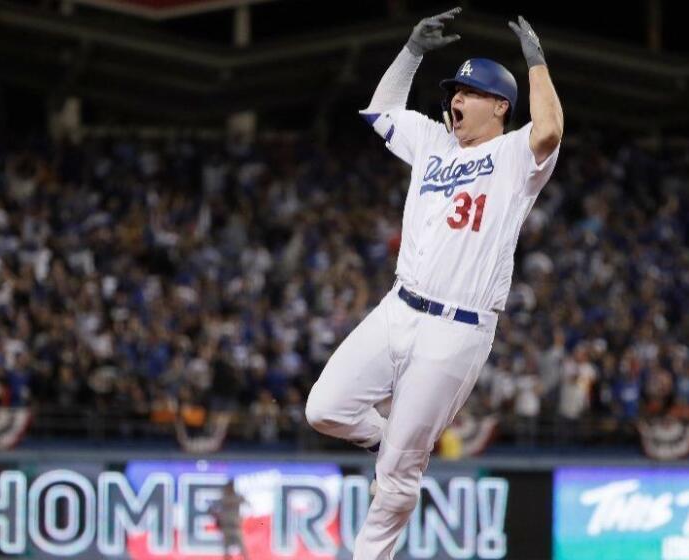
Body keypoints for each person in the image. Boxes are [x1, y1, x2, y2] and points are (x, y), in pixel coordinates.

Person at [305, 7, 562, 559]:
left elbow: (550, 129)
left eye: (468, 91)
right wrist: (411, 51)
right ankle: (395, 436)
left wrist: (536, 62)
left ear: (499, 106)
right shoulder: (432, 142)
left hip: (458, 330)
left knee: (397, 476)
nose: (455, 98)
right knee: (324, 409)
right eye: (455, 90)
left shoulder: (515, 155)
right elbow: (380, 109)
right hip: (400, 307)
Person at [210, 480, 249, 560]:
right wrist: (217, 518)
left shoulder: (235, 498)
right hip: (227, 527)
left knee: (242, 548)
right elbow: (211, 509)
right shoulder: (225, 499)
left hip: (234, 526)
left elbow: (248, 505)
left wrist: (242, 517)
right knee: (227, 549)